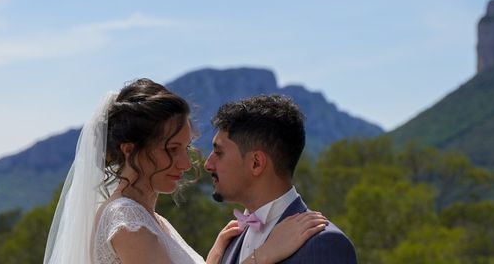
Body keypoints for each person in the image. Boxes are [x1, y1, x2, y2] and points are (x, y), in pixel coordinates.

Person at [44, 78, 328, 264]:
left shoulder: (152, 220)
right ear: (130, 151)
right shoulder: (126, 221)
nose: (185, 162)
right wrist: (263, 255)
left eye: (186, 147)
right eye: (171, 150)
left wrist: (215, 256)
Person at [204, 95, 358, 264]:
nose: (208, 164)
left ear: (256, 163)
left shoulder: (325, 244)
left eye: (219, 153)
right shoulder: (228, 241)